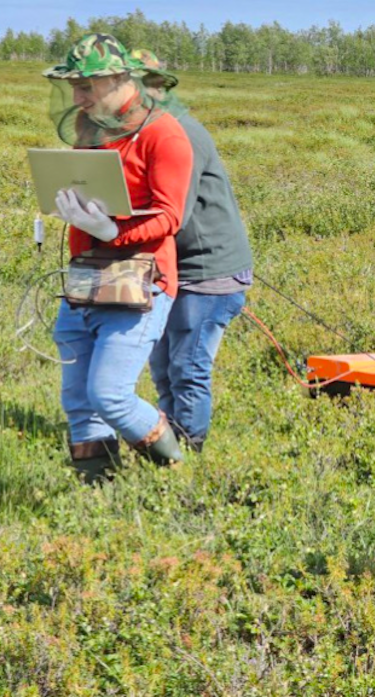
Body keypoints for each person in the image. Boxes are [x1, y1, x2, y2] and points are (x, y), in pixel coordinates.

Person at [45, 34, 192, 481]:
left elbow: (169, 216)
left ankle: (173, 475)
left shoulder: (164, 135)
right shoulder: (91, 132)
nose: (78, 97)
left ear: (117, 80)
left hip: (140, 283)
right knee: (79, 398)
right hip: (85, 279)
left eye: (86, 86)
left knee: (109, 394)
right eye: (73, 87)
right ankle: (98, 492)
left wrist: (113, 230)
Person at [133, 50, 254, 452]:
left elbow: (173, 216)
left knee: (188, 369)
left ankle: (188, 453)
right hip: (176, 270)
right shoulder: (144, 132)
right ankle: (169, 445)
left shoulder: (179, 134)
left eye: (140, 86)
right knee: (164, 369)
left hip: (209, 273)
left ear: (158, 88)